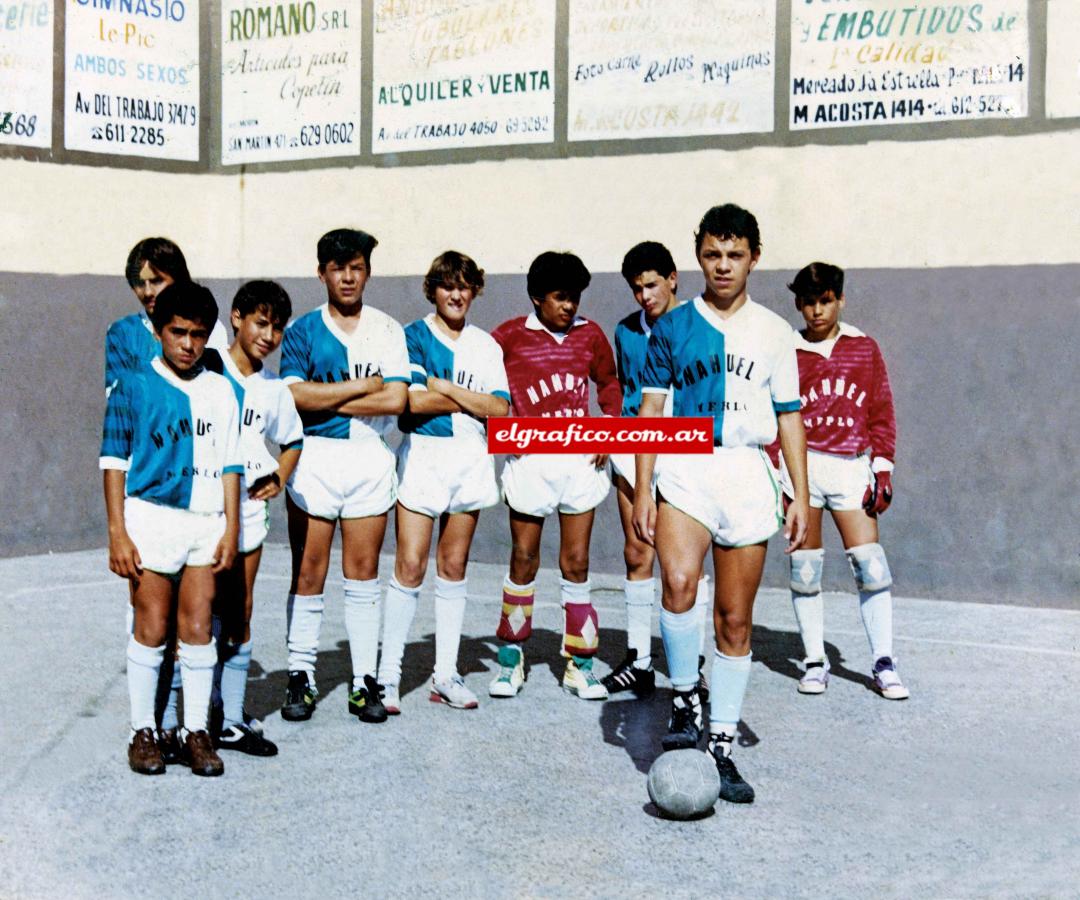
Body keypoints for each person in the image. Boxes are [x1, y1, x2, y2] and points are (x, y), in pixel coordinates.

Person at [632, 204, 810, 804]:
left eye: (735, 255)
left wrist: (800, 496)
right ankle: (684, 697)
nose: (724, 265)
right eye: (712, 255)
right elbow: (651, 410)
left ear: (754, 257)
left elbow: (789, 419)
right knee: (679, 582)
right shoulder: (674, 325)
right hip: (687, 465)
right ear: (698, 256)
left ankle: (723, 745)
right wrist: (644, 486)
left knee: (734, 618)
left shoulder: (775, 333)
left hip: (748, 473)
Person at [101, 281, 242, 776]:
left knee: (199, 627)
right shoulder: (133, 384)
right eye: (178, 332)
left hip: (205, 522)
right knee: (151, 626)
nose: (187, 344)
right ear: (159, 331)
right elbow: (114, 462)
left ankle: (194, 731)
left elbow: (231, 465)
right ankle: (143, 730)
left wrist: (230, 529)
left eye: (198, 335)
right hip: (150, 519)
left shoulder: (221, 389)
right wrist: (118, 532)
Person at [278, 228, 409, 725]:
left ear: (367, 272)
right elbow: (294, 396)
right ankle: (301, 675)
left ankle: (362, 680)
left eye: (356, 267)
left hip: (369, 457)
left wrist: (328, 395)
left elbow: (396, 400)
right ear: (321, 273)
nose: (348, 277)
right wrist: (362, 388)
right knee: (308, 574)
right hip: (315, 458)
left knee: (362, 576)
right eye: (337, 268)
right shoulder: (302, 331)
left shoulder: (388, 329)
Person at [376, 251, 510, 713]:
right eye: (447, 285)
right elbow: (411, 402)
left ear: (474, 291)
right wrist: (466, 400)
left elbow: (499, 410)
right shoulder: (411, 336)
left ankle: (446, 674)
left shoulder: (486, 346)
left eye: (465, 286)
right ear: (433, 289)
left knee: (453, 567)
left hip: (471, 460)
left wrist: (447, 389)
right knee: (410, 566)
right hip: (424, 460)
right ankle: (387, 676)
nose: (456, 294)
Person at [487, 251, 622, 701]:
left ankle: (580, 666)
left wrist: (609, 428)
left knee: (577, 562)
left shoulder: (590, 335)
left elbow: (609, 384)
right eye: (561, 298)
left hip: (579, 463)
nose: (570, 307)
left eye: (576, 298)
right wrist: (501, 428)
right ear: (536, 297)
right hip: (531, 463)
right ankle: (510, 660)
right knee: (523, 559)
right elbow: (482, 381)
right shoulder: (508, 335)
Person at [781, 262, 908, 700]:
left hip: (851, 465)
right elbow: (778, 415)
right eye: (809, 302)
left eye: (826, 301)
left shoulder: (863, 347)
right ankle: (815, 661)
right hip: (805, 468)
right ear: (799, 304)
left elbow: (880, 409)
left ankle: (884, 662)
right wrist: (781, 475)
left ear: (840, 299)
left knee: (871, 567)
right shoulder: (788, 350)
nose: (817, 311)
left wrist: (883, 465)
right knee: (805, 568)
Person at [603, 241, 711, 700]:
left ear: (673, 279)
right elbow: (621, 388)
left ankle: (694, 661)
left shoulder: (697, 324)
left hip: (684, 445)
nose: (644, 295)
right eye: (636, 288)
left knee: (683, 564)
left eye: (651, 284)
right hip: (634, 443)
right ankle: (639, 659)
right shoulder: (626, 332)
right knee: (636, 550)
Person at [211, 281, 304, 756]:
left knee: (239, 610)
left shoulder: (273, 389)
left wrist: (279, 478)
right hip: (203, 508)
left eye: (277, 329)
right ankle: (196, 716)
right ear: (236, 317)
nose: (268, 335)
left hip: (247, 510)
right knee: (200, 614)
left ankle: (228, 719)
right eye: (260, 323)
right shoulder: (208, 367)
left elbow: (293, 441)